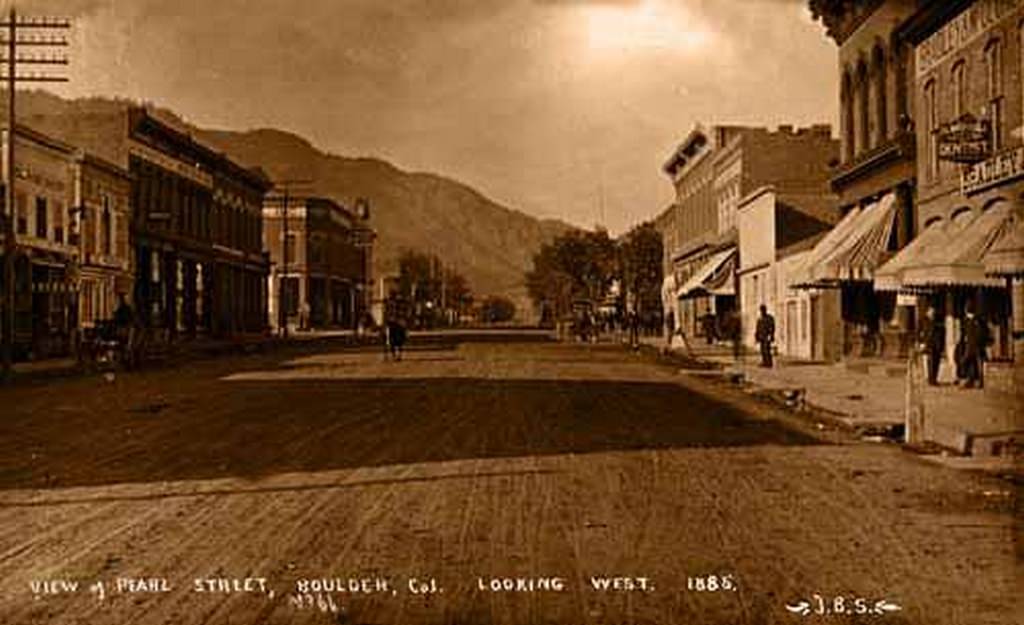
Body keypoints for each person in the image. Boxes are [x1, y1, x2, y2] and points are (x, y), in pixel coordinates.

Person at [958, 305, 989, 389]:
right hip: (974, 346)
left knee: (968, 362)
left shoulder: (975, 321)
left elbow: (979, 334)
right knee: (973, 363)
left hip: (973, 346)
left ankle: (971, 380)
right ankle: (971, 380)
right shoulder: (972, 321)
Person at [917, 305, 944, 386]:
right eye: (931, 311)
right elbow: (919, 332)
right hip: (928, 344)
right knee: (930, 362)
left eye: (933, 312)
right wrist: (921, 342)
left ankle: (934, 378)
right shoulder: (923, 321)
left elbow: (941, 333)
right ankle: (930, 379)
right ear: (927, 312)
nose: (932, 313)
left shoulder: (937, 321)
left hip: (937, 344)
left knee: (936, 362)